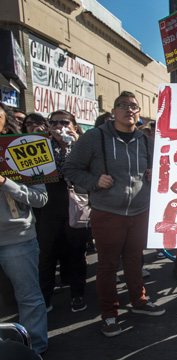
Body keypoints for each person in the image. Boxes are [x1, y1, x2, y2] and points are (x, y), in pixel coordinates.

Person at [63, 91, 164, 337]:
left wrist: (154, 176)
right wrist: (95, 181)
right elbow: (70, 168)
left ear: (139, 113)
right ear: (113, 111)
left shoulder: (146, 141)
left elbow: (159, 172)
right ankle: (109, 315)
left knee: (135, 261)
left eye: (133, 106)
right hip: (107, 213)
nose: (129, 109)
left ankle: (138, 301)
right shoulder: (94, 138)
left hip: (140, 212)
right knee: (107, 266)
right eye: (122, 105)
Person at [37, 110, 89, 313]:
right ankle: (45, 297)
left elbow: (89, 171)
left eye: (64, 122)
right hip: (48, 206)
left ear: (74, 126)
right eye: (54, 123)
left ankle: (77, 294)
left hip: (75, 204)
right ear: (49, 127)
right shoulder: (40, 147)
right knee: (47, 254)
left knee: (76, 252)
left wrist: (77, 145)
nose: (60, 126)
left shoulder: (81, 145)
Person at [0, 175, 48, 354]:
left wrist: (6, 183)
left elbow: (40, 198)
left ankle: (33, 353)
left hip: (17, 237)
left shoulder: (23, 152)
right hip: (17, 237)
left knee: (28, 296)